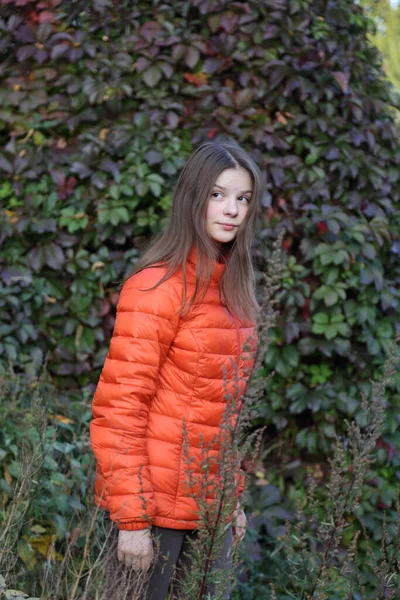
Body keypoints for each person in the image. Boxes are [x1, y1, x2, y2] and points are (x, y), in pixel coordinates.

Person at [90, 139, 262, 599]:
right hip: (153, 514)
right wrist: (130, 519)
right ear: (193, 198)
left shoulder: (237, 299)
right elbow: (120, 409)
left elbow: (224, 415)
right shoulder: (156, 289)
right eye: (218, 195)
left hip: (211, 515)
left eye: (243, 199)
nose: (232, 210)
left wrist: (233, 497)